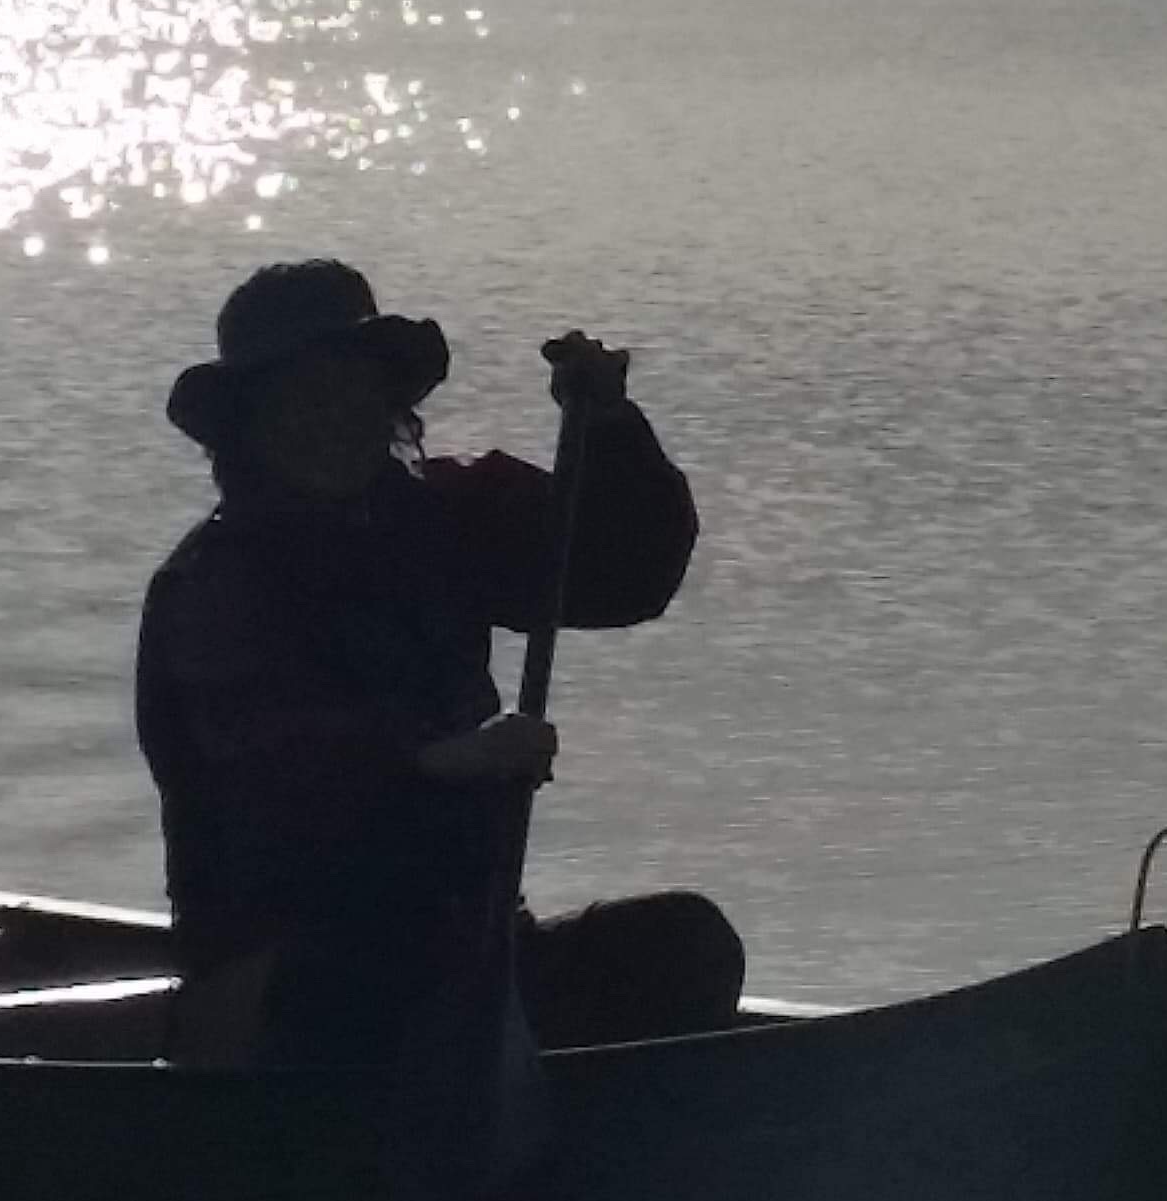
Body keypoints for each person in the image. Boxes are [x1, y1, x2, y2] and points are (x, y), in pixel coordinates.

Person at [137, 258, 744, 1069]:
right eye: (300, 396)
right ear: (250, 424)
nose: (332, 415)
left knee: (687, 945)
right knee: (387, 992)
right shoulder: (211, 586)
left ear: (389, 400)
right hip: (284, 992)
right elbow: (277, 769)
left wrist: (608, 429)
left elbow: (624, 574)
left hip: (471, 956)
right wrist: (439, 763)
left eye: (351, 388)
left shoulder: (449, 518)